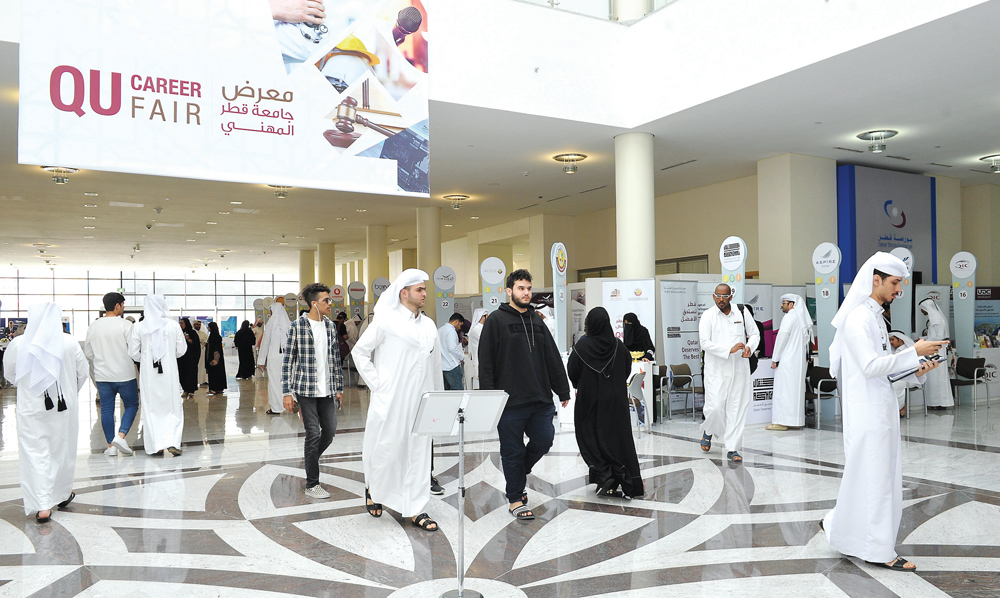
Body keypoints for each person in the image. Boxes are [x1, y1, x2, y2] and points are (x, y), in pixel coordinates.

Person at [821, 252, 947, 572]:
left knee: (873, 480)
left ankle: (840, 529)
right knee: (875, 482)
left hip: (881, 409)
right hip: (867, 414)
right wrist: (912, 351)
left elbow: (886, 372)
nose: (898, 290)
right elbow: (869, 366)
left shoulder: (876, 316)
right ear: (875, 280)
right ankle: (880, 551)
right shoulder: (858, 318)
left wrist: (918, 369)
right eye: (894, 283)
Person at [353, 269, 443, 532]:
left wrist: (437, 400)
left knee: (418, 453)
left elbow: (435, 365)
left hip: (421, 402)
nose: (425, 293)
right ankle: (374, 489)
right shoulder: (385, 321)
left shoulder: (428, 325)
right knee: (387, 449)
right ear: (404, 293)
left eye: (425, 289)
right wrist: (380, 385)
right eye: (419, 289)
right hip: (391, 400)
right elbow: (361, 353)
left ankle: (416, 508)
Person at [479, 269, 571, 521]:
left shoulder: (537, 320)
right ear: (509, 291)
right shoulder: (496, 320)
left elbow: (551, 356)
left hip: (540, 397)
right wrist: (489, 398)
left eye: (529, 288)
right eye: (521, 288)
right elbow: (485, 362)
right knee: (512, 450)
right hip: (509, 401)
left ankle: (519, 472)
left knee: (544, 440)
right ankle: (515, 498)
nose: (526, 293)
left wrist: (562, 388)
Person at [3, 302, 89, 523]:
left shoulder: (19, 343)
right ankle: (61, 494)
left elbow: (11, 374)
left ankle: (42, 505)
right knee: (62, 450)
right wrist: (70, 391)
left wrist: (29, 388)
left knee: (35, 452)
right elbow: (82, 373)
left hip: (31, 408)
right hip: (64, 407)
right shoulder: (69, 342)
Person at [568, 307, 644, 498]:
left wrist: (582, 384)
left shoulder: (581, 348)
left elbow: (572, 372)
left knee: (589, 438)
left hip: (589, 401)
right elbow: (627, 369)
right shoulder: (620, 346)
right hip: (616, 402)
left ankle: (604, 473)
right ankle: (622, 477)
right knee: (618, 440)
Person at [282, 282, 344, 500]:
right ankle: (312, 483)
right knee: (313, 434)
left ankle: (310, 460)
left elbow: (335, 360)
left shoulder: (330, 326)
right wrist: (287, 392)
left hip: (326, 391)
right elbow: (288, 361)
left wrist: (339, 388)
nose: (330, 303)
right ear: (314, 304)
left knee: (330, 431)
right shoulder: (297, 326)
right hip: (305, 390)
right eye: (326, 300)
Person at [698, 283, 759, 463]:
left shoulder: (741, 311)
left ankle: (732, 448)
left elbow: (755, 334)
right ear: (713, 296)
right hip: (716, 369)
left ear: (731, 296)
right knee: (715, 407)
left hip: (740, 368)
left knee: (736, 408)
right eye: (718, 296)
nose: (721, 299)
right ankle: (709, 430)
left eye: (725, 296)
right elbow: (704, 343)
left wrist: (749, 347)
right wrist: (728, 349)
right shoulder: (708, 315)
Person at [128, 294, 188, 456]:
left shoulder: (139, 326)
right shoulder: (173, 325)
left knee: (151, 407)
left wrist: (147, 359)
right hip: (169, 373)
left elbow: (133, 353)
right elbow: (182, 350)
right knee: (173, 406)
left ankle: (155, 446)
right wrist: (167, 356)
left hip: (149, 375)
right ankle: (173, 442)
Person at [84, 292, 138, 456]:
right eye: (123, 304)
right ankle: (121, 436)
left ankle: (111, 447)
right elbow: (134, 350)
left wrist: (102, 360)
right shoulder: (126, 325)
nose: (123, 307)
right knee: (132, 405)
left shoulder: (93, 326)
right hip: (125, 375)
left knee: (106, 411)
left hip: (103, 376)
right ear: (117, 306)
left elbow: (88, 353)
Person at [767, 294, 812, 431]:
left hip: (787, 360)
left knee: (783, 390)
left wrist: (775, 358)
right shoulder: (801, 318)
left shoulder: (789, 317)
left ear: (791, 304)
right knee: (795, 391)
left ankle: (781, 421)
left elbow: (782, 338)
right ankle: (795, 421)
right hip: (798, 361)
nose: (782, 305)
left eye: (784, 303)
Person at [919, 297, 953, 410]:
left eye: (922, 309)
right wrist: (924, 339)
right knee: (936, 377)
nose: (922, 312)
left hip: (935, 350)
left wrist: (923, 342)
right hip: (936, 349)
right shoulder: (936, 318)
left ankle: (938, 403)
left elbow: (937, 337)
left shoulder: (935, 319)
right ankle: (936, 403)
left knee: (936, 378)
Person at [259, 303, 292, 415]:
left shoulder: (271, 324)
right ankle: (292, 402)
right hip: (287, 357)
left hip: (274, 358)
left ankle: (277, 407)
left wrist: (261, 361)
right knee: (288, 381)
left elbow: (265, 343)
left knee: (274, 383)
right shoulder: (288, 324)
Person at [889, 331, 921, 417]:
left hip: (910, 377)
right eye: (890, 340)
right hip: (897, 376)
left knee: (895, 385)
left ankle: (899, 408)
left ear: (901, 340)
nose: (891, 342)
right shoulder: (893, 351)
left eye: (893, 339)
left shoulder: (908, 350)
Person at [438, 312, 465, 390]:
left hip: (442, 366)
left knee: (446, 392)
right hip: (452, 365)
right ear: (456, 321)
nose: (459, 328)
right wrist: (461, 356)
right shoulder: (451, 331)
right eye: (460, 325)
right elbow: (452, 348)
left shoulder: (439, 330)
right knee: (457, 391)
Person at [177, 318, 201, 398]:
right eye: (180, 323)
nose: (181, 325)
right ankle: (185, 389)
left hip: (191, 358)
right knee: (182, 373)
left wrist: (189, 339)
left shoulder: (192, 333)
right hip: (181, 358)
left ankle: (191, 390)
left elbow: (196, 345)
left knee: (190, 373)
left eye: (182, 323)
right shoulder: (179, 333)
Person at [205, 322, 229, 395]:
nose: (208, 328)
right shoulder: (216, 336)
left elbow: (215, 349)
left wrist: (215, 359)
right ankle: (219, 388)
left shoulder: (213, 337)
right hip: (218, 359)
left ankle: (213, 388)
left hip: (214, 358)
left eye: (209, 327)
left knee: (213, 373)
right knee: (219, 372)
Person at [468, 308, 487, 388]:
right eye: (487, 316)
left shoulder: (482, 328)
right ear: (482, 317)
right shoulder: (476, 329)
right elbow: (486, 341)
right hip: (479, 358)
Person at [193, 320, 209, 386]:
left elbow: (207, 339)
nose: (198, 326)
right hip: (196, 351)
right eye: (196, 325)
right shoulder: (192, 333)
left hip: (203, 351)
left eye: (199, 325)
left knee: (203, 365)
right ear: (194, 325)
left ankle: (204, 380)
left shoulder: (203, 333)